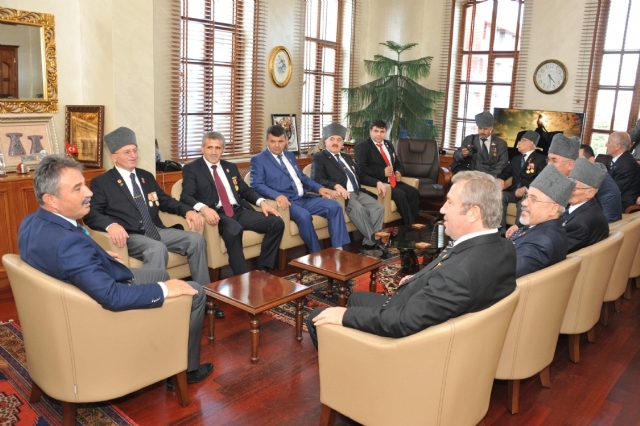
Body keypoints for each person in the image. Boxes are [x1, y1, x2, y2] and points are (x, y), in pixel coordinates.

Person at [18, 155, 213, 388]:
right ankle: (185, 369)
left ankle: (162, 339)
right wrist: (164, 290)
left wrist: (97, 254)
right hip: (100, 309)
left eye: (84, 184)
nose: (89, 192)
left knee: (160, 274)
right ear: (51, 199)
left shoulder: (31, 222)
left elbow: (63, 255)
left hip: (84, 290)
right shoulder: (69, 245)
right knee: (195, 291)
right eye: (78, 188)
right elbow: (112, 297)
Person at [306, 171, 517, 347]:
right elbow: (448, 270)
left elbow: (402, 322)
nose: (442, 209)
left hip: (406, 339)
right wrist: (418, 279)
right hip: (422, 310)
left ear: (473, 213)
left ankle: (349, 370)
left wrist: (343, 317)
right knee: (356, 299)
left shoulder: (458, 274)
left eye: (450, 203)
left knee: (317, 318)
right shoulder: (505, 247)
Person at [82, 127, 223, 318]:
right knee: (156, 248)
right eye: (127, 152)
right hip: (131, 234)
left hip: (155, 229)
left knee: (196, 240)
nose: (133, 155)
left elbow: (165, 201)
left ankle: (204, 299)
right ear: (114, 157)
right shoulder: (102, 182)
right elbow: (91, 214)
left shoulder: (145, 176)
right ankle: (154, 306)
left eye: (135, 150)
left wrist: (187, 210)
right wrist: (111, 225)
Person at [180, 132, 284, 274]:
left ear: (223, 150)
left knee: (276, 222)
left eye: (218, 148)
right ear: (202, 148)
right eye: (210, 147)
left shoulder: (230, 167)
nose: (213, 152)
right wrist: (203, 208)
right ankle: (242, 277)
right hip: (216, 214)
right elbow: (186, 196)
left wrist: (262, 202)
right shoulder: (192, 168)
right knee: (235, 229)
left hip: (238, 210)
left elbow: (245, 190)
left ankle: (262, 268)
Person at [250, 125, 350, 253]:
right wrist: (277, 196)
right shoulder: (258, 160)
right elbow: (256, 185)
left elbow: (302, 177)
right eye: (273, 141)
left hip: (304, 197)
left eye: (280, 141)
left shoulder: (289, 155)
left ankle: (338, 250)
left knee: (335, 206)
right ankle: (316, 254)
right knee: (304, 216)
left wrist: (319, 189)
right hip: (287, 202)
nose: (277, 145)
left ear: (286, 141)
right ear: (266, 142)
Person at [311, 123, 388, 258]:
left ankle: (368, 244)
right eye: (332, 139)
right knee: (358, 209)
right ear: (325, 141)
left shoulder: (347, 157)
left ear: (343, 143)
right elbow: (316, 179)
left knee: (379, 208)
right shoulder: (320, 158)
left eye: (339, 140)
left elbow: (360, 176)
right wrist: (335, 185)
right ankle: (375, 241)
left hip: (358, 192)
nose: (335, 142)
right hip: (343, 196)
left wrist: (377, 182)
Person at [508, 165, 575, 278]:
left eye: (533, 199)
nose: (524, 203)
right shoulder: (542, 227)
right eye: (527, 196)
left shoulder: (542, 241)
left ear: (553, 209)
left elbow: (504, 274)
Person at [354, 119, 420, 225]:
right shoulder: (362, 147)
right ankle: (410, 227)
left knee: (414, 192)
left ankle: (413, 224)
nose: (379, 134)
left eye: (382, 131)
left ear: (385, 132)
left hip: (393, 181)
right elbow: (361, 169)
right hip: (379, 183)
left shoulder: (389, 144)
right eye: (376, 131)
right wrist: (382, 172)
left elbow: (397, 162)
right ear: (370, 131)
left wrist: (398, 171)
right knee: (401, 195)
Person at [496, 130, 547, 231]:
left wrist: (526, 188)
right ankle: (500, 230)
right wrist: (500, 179)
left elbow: (541, 178)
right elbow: (506, 173)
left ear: (531, 143)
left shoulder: (541, 159)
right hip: (513, 191)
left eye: (522, 140)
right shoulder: (516, 159)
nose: (519, 143)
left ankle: (517, 232)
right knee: (500, 196)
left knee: (523, 203)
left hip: (529, 194)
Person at [564, 158, 609, 253]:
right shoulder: (588, 207)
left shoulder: (580, 224)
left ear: (590, 193)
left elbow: (556, 252)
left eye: (574, 188)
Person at [452, 111, 508, 178]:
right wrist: (462, 154)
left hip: (491, 177)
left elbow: (502, 163)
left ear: (491, 128)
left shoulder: (500, 143)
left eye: (485, 129)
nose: (482, 131)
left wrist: (490, 177)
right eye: (480, 128)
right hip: (472, 176)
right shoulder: (470, 139)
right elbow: (456, 155)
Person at [579, 144, 622, 222]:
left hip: (607, 222)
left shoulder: (593, 176)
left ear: (591, 160)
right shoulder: (596, 170)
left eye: (578, 160)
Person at [605, 131, 640, 210]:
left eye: (609, 142)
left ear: (618, 146)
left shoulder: (626, 165)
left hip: (620, 205)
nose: (606, 145)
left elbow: (612, 190)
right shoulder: (621, 160)